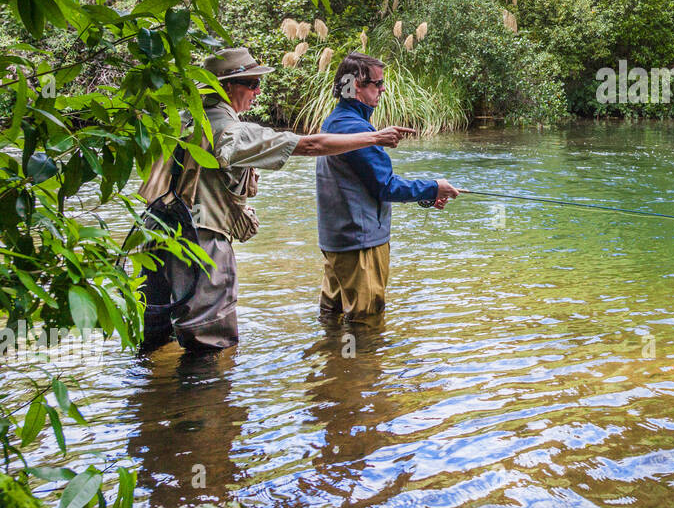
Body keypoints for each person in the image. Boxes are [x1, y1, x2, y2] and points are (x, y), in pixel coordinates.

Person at [142, 46, 414, 351]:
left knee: (156, 335)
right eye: (251, 84)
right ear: (226, 87)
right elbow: (310, 145)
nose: (258, 92)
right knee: (209, 343)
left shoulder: (179, 121)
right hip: (200, 240)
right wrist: (376, 137)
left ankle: (153, 395)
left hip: (153, 234)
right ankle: (207, 396)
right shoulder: (231, 131)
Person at [315, 52, 460, 323]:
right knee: (366, 324)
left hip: (338, 241)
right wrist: (433, 187)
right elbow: (386, 187)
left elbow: (365, 184)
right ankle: (362, 366)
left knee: (332, 320)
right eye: (377, 84)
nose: (383, 89)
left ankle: (336, 363)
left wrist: (428, 194)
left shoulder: (337, 121)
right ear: (356, 85)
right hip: (360, 246)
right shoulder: (353, 130)